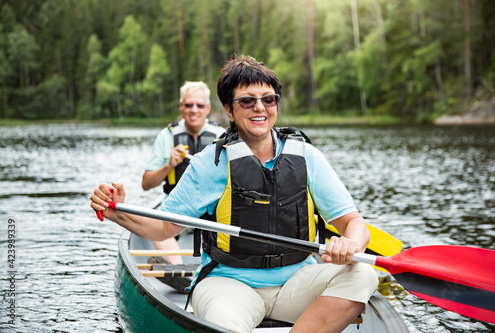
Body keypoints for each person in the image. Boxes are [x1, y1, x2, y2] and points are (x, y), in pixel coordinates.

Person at [91, 55, 378, 333]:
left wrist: (351, 245)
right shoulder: (211, 163)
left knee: (362, 274)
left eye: (268, 99)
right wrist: (119, 212)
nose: (260, 108)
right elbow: (165, 227)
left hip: (297, 280)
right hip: (227, 284)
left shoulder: (308, 157)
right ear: (229, 110)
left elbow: (354, 223)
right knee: (225, 325)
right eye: (247, 101)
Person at [141, 81, 225, 265]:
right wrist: (169, 165)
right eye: (188, 105)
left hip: (213, 208)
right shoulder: (167, 136)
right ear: (181, 106)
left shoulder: (222, 136)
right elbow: (146, 184)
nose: (194, 110)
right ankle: (178, 269)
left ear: (208, 108)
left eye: (199, 105)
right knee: (157, 222)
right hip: (178, 208)